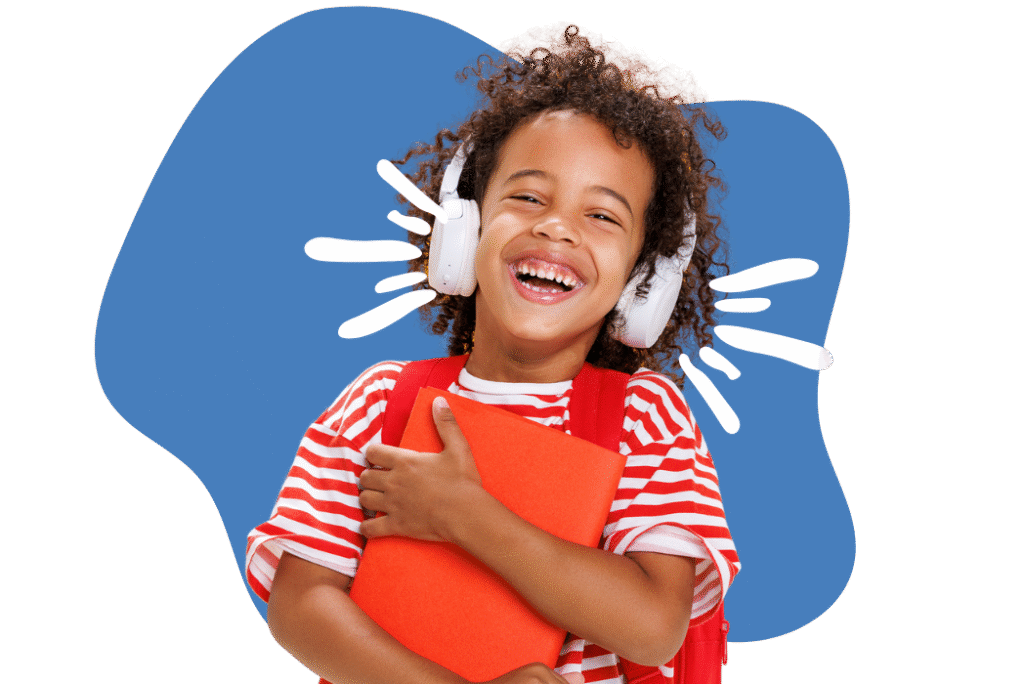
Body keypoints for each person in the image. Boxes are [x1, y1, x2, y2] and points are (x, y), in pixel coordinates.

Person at [246, 37, 740, 684]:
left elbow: (650, 628)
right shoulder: (377, 403)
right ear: (464, 231)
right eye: (529, 198)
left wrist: (465, 515)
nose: (557, 228)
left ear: (644, 283)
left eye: (601, 215)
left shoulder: (645, 420)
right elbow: (302, 604)